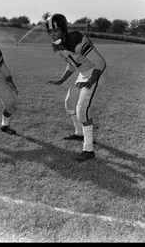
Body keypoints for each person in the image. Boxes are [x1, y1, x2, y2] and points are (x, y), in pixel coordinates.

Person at [45, 14, 107, 162]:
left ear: (64, 29)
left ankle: (89, 149)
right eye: (49, 31)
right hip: (83, 74)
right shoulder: (57, 44)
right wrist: (61, 80)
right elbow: (72, 62)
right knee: (69, 103)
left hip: (95, 73)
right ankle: (79, 133)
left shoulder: (76, 39)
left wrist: (90, 81)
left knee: (82, 110)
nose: (52, 34)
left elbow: (100, 62)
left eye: (55, 30)